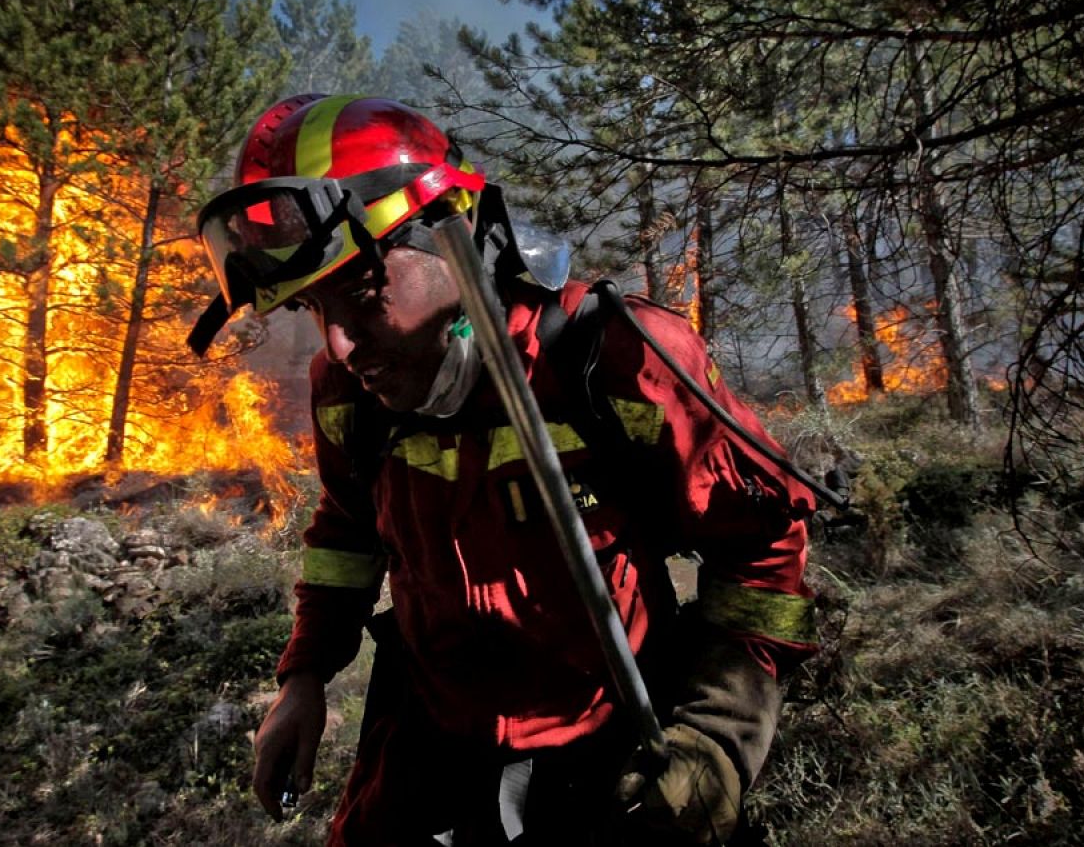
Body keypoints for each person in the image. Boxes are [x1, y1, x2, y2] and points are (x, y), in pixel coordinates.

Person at [190, 94, 818, 846]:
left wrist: (717, 739)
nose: (343, 348)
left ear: (450, 233)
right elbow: (349, 533)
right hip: (431, 751)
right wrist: (305, 678)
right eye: (312, 309)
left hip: (615, 746)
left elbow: (762, 546)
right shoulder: (349, 394)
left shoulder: (614, 357)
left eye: (360, 290)